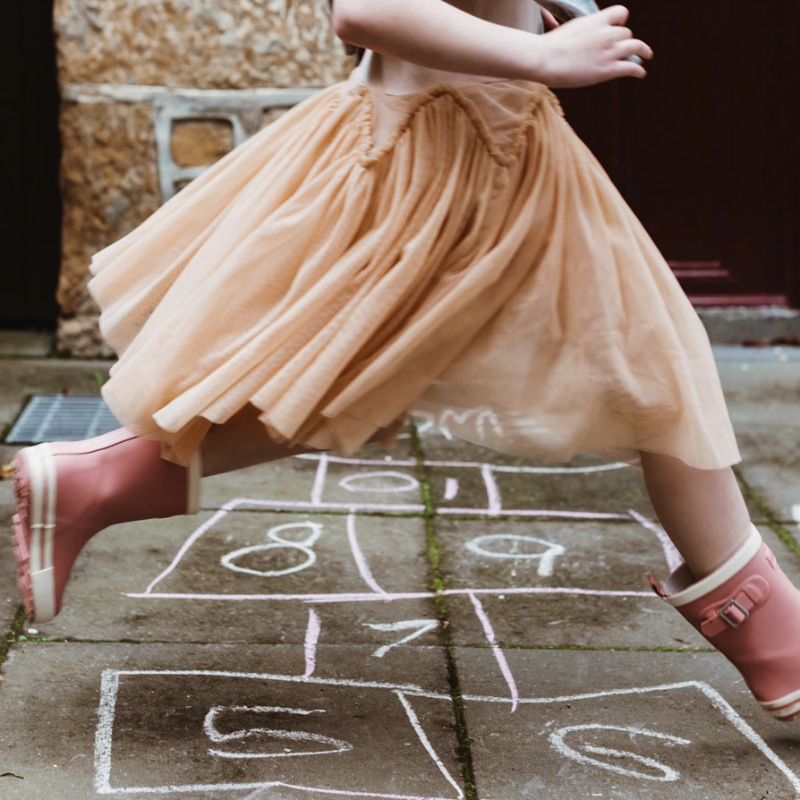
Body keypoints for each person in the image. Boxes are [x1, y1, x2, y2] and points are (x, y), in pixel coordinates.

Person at [10, 0, 800, 722]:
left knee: (367, 388)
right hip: (436, 155)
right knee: (645, 368)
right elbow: (366, 7)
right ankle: (782, 650)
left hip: (488, 140)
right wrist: (544, 58)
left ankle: (89, 481)